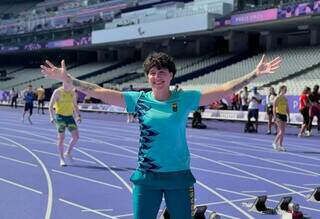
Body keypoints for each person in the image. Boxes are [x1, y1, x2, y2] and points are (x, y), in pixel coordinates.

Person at [41, 53, 281, 219]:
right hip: (147, 178)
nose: (158, 76)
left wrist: (255, 74)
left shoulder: (184, 98)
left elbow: (226, 89)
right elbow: (102, 92)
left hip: (179, 177)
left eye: (162, 72)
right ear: (148, 77)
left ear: (171, 75)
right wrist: (68, 80)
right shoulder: (139, 101)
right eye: (153, 72)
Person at [48, 82, 81, 167]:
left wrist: (78, 116)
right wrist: (51, 117)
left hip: (70, 117)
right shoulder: (58, 91)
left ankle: (68, 152)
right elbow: (51, 105)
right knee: (61, 138)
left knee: (76, 137)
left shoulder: (73, 92)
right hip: (60, 117)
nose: (71, 85)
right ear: (64, 83)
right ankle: (61, 159)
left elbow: (75, 105)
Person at [272, 85, 290, 152]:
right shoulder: (277, 97)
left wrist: (289, 116)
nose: (286, 90)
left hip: (284, 115)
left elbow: (287, 108)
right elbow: (274, 107)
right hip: (278, 114)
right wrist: (274, 116)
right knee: (281, 131)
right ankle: (274, 142)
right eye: (285, 89)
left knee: (282, 132)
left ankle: (280, 145)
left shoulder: (285, 98)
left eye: (286, 89)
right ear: (281, 89)